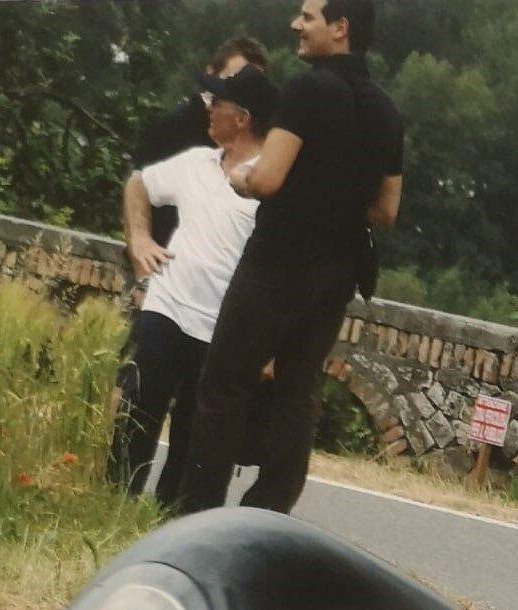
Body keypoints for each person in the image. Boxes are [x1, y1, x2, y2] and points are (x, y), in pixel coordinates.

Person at [176, 0, 404, 515]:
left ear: (340, 28)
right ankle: (267, 513)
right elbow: (387, 210)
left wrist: (242, 177)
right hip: (339, 271)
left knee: (224, 383)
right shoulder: (386, 111)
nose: (296, 25)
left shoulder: (307, 90)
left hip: (278, 261)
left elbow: (268, 179)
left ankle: (197, 516)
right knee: (298, 392)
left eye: (308, 17)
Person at [109, 66, 279, 505]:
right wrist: (139, 237)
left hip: (222, 326)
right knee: (137, 410)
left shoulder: (269, 182)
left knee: (195, 435)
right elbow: (139, 183)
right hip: (167, 306)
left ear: (242, 118)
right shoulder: (196, 162)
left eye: (217, 102)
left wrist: (270, 345)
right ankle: (114, 503)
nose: (209, 108)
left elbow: (283, 269)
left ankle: (173, 519)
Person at [132, 37, 269, 249]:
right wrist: (140, 240)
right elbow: (138, 183)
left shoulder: (268, 160)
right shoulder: (173, 128)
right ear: (212, 74)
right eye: (232, 79)